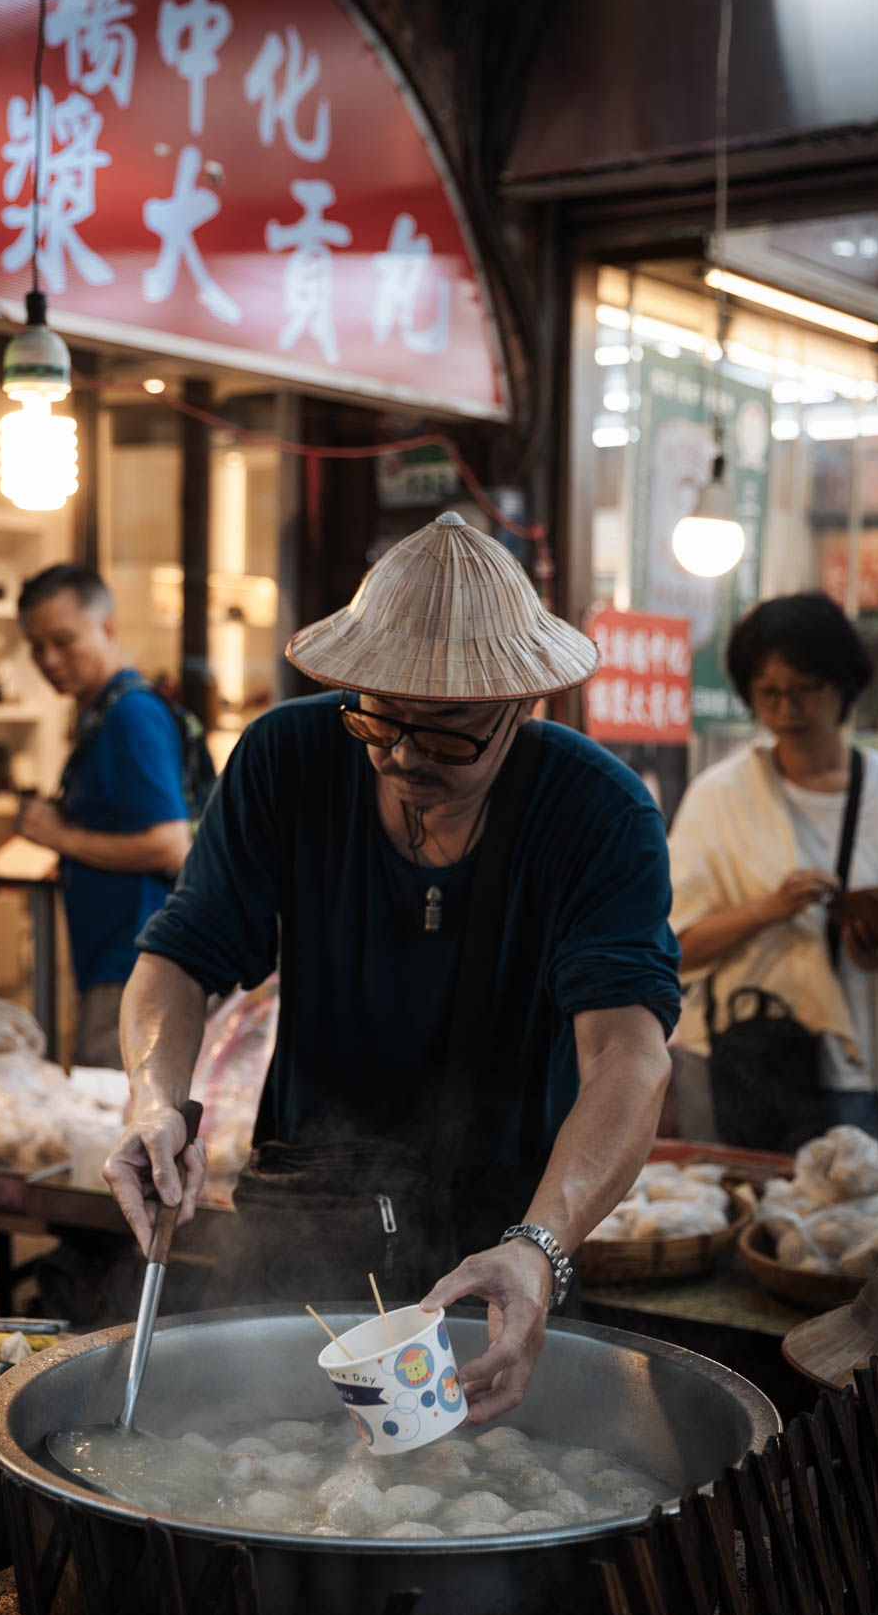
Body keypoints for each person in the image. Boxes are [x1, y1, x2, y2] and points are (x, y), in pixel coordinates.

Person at [102, 513, 681, 1423]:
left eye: (449, 729)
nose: (405, 753)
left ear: (523, 705)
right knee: (268, 1466)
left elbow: (629, 1058)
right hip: (309, 1201)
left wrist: (541, 1245)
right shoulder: (286, 759)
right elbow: (180, 956)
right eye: (377, 715)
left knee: (496, 1481)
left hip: (508, 1225)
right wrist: (152, 1101)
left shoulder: (600, 815)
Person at [668, 592, 878, 1150]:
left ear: (842, 685)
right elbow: (675, 946)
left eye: (804, 689)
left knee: (867, 1223)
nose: (786, 709)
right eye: (767, 692)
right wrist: (769, 910)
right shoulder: (720, 795)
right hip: (740, 1060)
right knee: (739, 1221)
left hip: (864, 1062)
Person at [17, 564, 192, 1067]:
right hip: (118, 959)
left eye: (64, 640)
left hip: (136, 964)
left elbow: (170, 845)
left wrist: (61, 836)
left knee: (117, 1127)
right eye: (36, 646)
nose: (49, 659)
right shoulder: (105, 713)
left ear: (108, 628)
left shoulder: (129, 716)